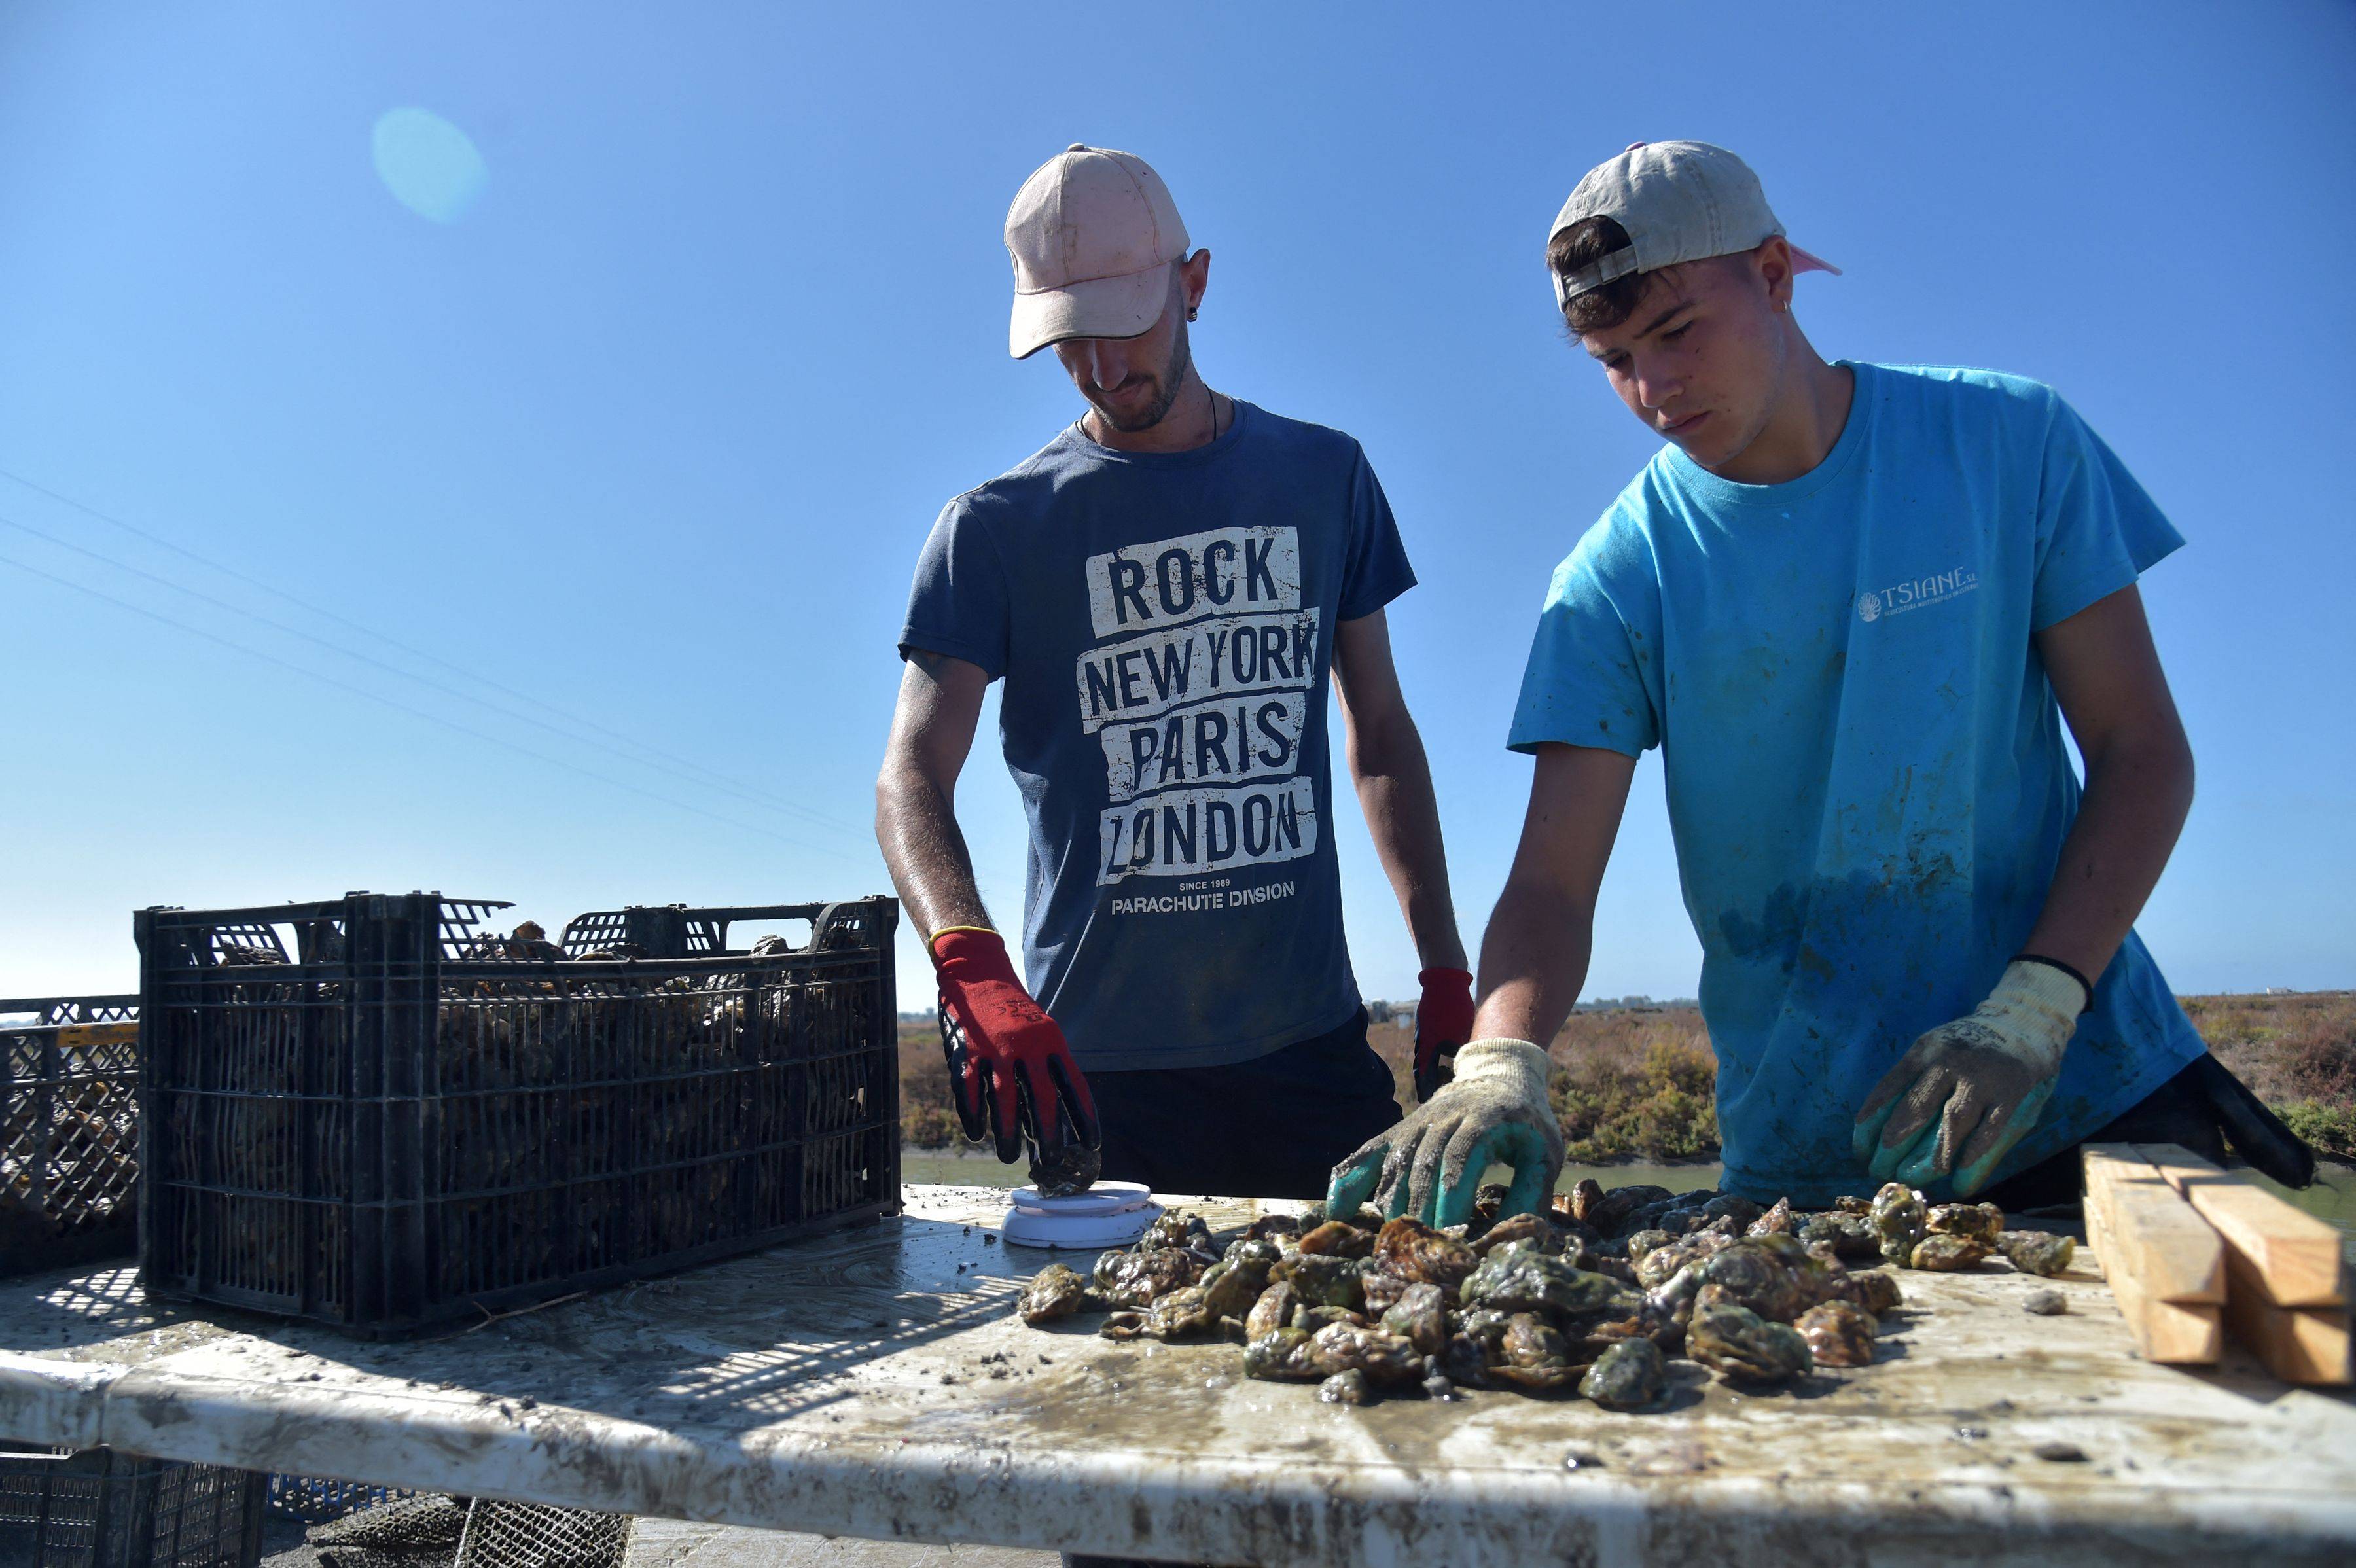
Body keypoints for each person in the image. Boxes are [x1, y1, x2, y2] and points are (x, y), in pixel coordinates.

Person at [1335, 139, 2310, 1224]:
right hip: (1815, 1149)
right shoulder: (1617, 578)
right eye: (1612, 359)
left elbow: (2142, 753)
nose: (1653, 388)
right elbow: (1553, 887)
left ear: (1773, 274)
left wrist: (2035, 1006)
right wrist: (1500, 1060)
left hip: (2083, 1093)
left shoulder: (2007, 443)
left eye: (1676, 331)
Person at [878, 144, 1475, 1203]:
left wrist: (1444, 972)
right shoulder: (995, 529)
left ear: (1194, 284)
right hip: (1098, 1069)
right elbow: (912, 774)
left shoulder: (1324, 476)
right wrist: (970, 963)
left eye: (1126, 327)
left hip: (1309, 1052)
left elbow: (1379, 733)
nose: (1104, 369)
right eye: (1072, 342)